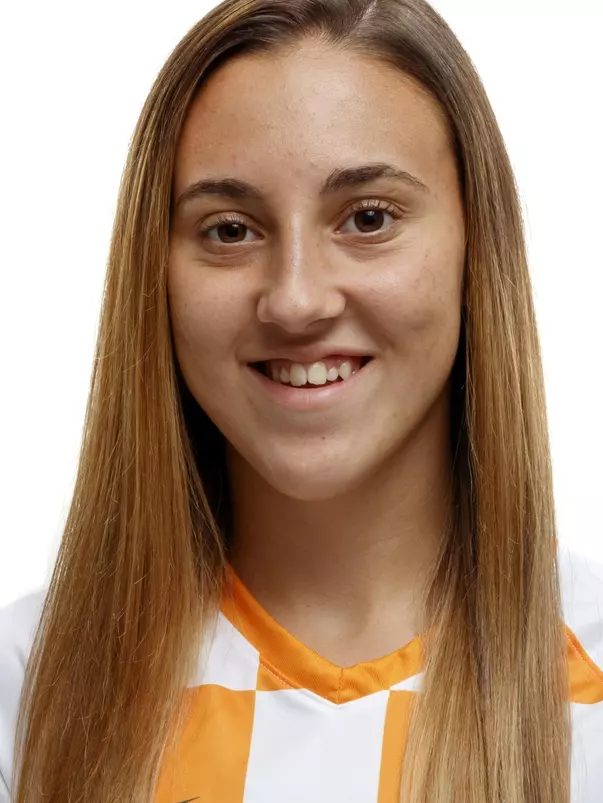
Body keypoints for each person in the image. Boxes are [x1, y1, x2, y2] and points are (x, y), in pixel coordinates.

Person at [1, 0, 602, 801]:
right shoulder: (28, 685)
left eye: (366, 217)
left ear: (474, 248)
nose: (294, 300)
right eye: (229, 230)